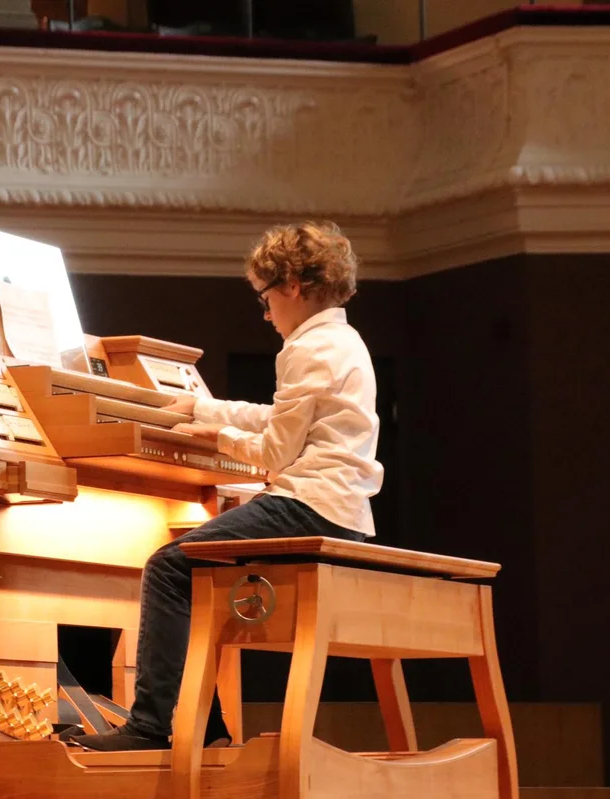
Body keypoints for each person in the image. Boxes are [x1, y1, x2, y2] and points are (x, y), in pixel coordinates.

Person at [71, 221, 384, 752]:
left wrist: (216, 437)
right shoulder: (341, 340)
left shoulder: (308, 348)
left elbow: (275, 453)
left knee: (169, 568)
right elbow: (281, 419)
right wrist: (198, 406)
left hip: (310, 504)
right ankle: (205, 729)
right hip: (338, 508)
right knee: (196, 575)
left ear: (291, 285)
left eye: (264, 299)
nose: (265, 314)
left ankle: (152, 726)